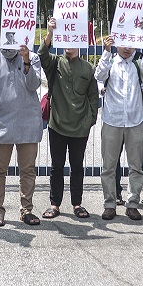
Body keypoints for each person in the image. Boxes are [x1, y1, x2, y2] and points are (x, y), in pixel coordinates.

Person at [95, 24, 143, 222]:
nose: (127, 48)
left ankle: (133, 203)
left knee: (136, 166)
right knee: (109, 166)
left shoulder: (139, 66)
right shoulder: (110, 63)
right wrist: (105, 52)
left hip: (135, 121)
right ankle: (109, 203)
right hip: (112, 120)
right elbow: (99, 75)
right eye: (123, 43)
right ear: (116, 43)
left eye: (131, 44)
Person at [39, 17, 98, 221]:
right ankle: (54, 204)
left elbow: (93, 96)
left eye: (73, 41)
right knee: (56, 167)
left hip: (80, 127)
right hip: (57, 124)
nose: (69, 46)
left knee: (77, 167)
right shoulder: (55, 63)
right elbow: (41, 55)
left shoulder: (88, 68)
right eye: (65, 41)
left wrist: (90, 119)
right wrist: (50, 33)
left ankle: (77, 204)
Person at [0, 42, 43, 227]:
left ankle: (26, 210)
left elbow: (34, 85)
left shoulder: (33, 58)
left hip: (28, 122)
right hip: (1, 123)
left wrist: (26, 61)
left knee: (28, 169)